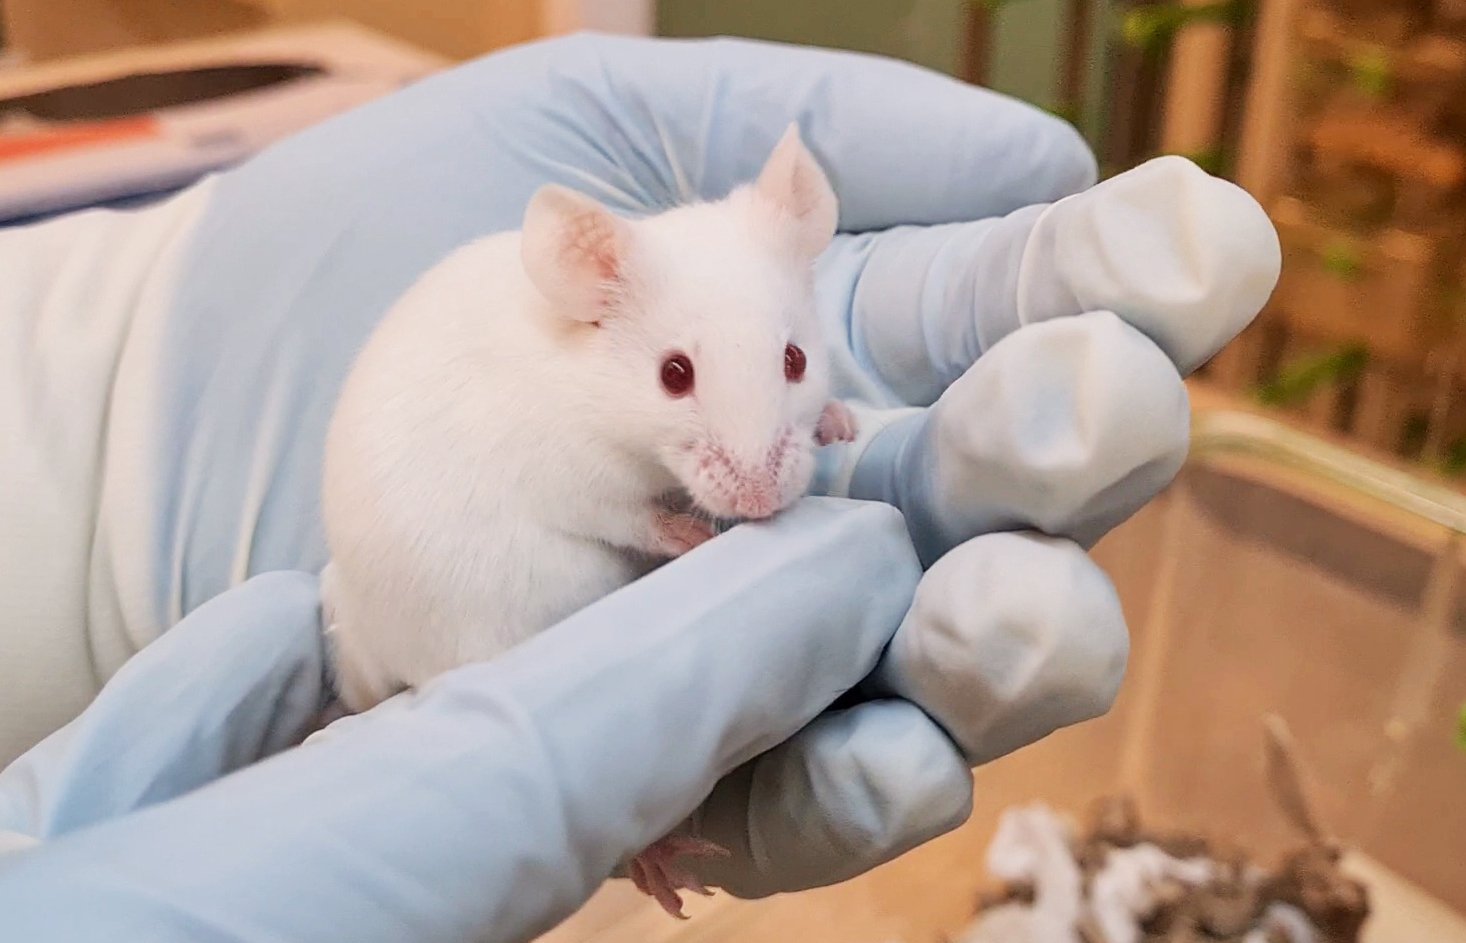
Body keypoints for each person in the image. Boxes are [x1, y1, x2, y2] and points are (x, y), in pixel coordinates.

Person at [0, 33, 1279, 943]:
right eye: (677, 376)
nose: (763, 460)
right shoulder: (554, 361)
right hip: (466, 568)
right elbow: (552, 472)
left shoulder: (754, 284)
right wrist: (652, 521)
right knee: (581, 680)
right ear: (587, 288)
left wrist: (801, 395)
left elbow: (782, 359)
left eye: (787, 365)